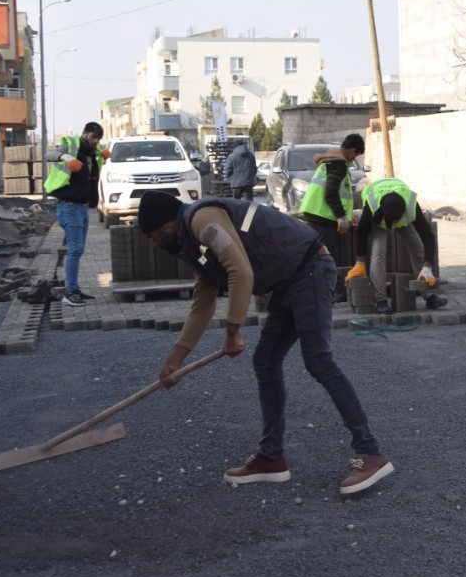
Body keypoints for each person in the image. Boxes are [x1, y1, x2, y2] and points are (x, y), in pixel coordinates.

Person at [136, 190, 393, 495]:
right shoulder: (193, 245)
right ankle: (271, 458)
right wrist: (175, 359)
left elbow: (240, 272)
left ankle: (370, 452)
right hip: (287, 281)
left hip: (309, 269)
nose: (153, 244)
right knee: (266, 361)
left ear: (165, 226)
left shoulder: (202, 221)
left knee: (318, 360)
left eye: (151, 236)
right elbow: (202, 302)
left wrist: (233, 331)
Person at [345, 177, 447, 314]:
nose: (395, 222)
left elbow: (428, 236)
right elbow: (362, 232)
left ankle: (429, 296)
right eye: (392, 219)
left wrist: (427, 266)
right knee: (378, 253)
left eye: (397, 218)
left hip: (399, 213)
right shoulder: (373, 205)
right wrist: (360, 262)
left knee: (418, 249)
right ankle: (380, 300)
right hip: (379, 220)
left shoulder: (411, 205)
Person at [45, 121, 106, 307]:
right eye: (94, 137)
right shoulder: (71, 145)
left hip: (82, 207)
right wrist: (65, 156)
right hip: (69, 206)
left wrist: (103, 156)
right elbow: (49, 155)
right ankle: (70, 293)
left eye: (99, 138)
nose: (96, 141)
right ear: (86, 133)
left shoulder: (93, 152)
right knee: (75, 249)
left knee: (78, 250)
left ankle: (75, 288)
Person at [299, 133, 366, 248]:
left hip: (316, 215)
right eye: (356, 155)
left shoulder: (330, 162)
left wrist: (348, 215)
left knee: (315, 254)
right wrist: (341, 215)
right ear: (352, 150)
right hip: (323, 218)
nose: (354, 159)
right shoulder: (338, 165)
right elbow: (330, 193)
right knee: (323, 256)